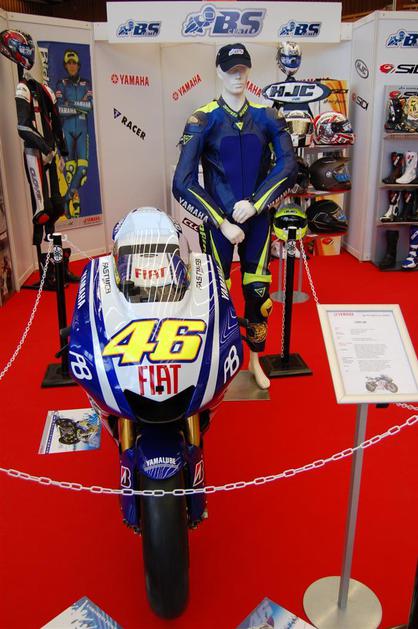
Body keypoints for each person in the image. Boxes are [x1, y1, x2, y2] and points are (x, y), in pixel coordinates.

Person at [173, 43, 297, 389]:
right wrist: (222, 221)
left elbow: (289, 165)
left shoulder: (267, 116)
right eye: (231, 70)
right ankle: (217, 362)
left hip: (258, 221)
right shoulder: (203, 119)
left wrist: (256, 204)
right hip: (219, 225)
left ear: (249, 71)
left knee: (258, 292)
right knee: (217, 294)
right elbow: (182, 182)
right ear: (219, 72)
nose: (237, 76)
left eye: (242, 69)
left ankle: (255, 359)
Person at [56, 49, 93, 219]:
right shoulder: (61, 83)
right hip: (67, 130)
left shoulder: (86, 83)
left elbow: (90, 106)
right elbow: (59, 109)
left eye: (74, 63)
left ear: (78, 65)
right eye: (69, 63)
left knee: (82, 170)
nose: (72, 66)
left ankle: (66, 200)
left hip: (82, 130)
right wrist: (79, 106)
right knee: (70, 171)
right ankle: (72, 209)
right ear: (65, 65)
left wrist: (70, 103)